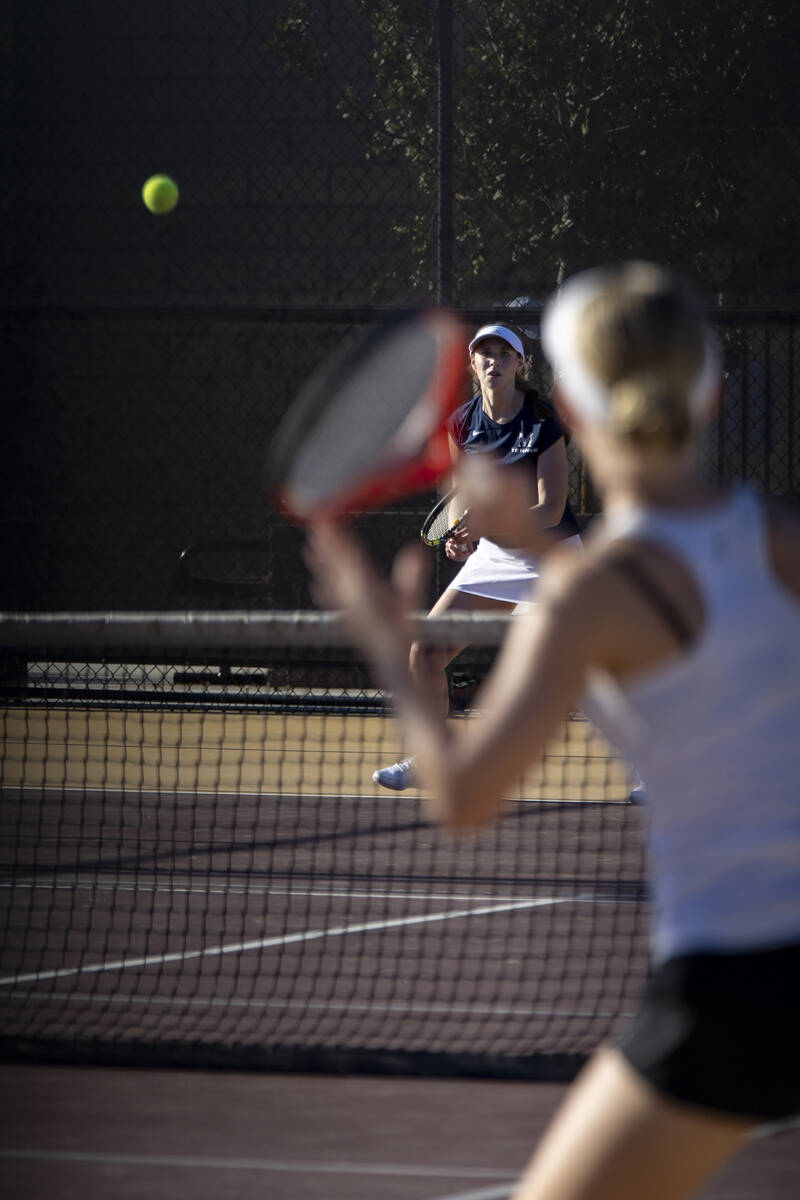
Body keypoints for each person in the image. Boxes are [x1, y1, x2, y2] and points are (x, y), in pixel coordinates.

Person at [306, 262, 800, 1200]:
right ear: (715, 397)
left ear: (569, 400)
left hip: (737, 993)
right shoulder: (783, 538)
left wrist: (384, 640)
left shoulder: (587, 596)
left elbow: (464, 797)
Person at [372, 321, 582, 791]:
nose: (494, 361)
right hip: (495, 557)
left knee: (578, 668)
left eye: (504, 354)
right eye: (484, 354)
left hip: (552, 556)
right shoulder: (460, 424)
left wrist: (492, 524)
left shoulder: (543, 419)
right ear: (472, 365)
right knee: (424, 654)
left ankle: (656, 771)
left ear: (519, 365)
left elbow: (550, 508)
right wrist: (459, 536)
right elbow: (459, 501)